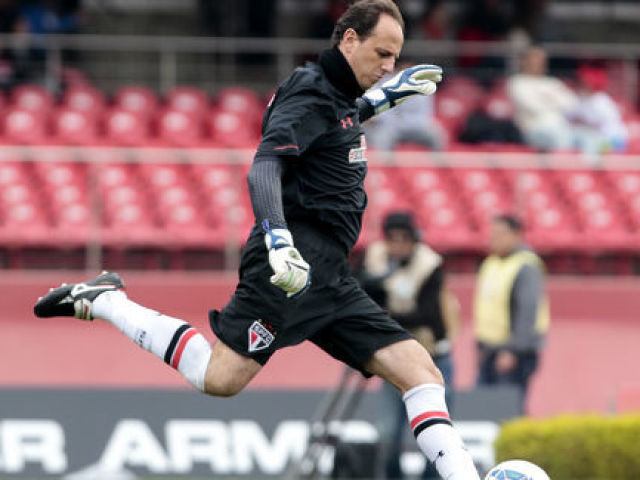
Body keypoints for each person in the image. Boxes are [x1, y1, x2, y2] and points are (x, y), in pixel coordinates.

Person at [34, 2, 480, 479]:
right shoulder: (309, 93)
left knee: (422, 373)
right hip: (290, 268)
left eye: (395, 57)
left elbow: (334, 123)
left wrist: (382, 99)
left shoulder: (336, 97)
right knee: (219, 378)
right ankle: (106, 301)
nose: (389, 65)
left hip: (331, 275)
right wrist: (277, 238)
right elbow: (265, 164)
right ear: (348, 39)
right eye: (382, 53)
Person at [361, 211, 460, 479]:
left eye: (404, 239)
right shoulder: (377, 257)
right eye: (391, 239)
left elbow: (427, 314)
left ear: (414, 240)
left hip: (431, 356)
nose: (397, 246)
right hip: (395, 357)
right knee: (389, 431)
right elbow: (363, 294)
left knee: (436, 433)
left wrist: (384, 317)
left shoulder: (430, 264)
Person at [473, 214, 550, 415]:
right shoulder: (491, 263)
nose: (493, 239)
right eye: (492, 234)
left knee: (507, 409)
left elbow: (527, 312)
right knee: (485, 408)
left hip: (512, 352)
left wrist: (513, 350)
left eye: (499, 234)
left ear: (516, 235)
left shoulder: (526, 266)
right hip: (489, 348)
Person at [364, 61, 447, 153]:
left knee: (437, 134)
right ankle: (386, 164)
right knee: (382, 137)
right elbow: (382, 111)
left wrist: (409, 124)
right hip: (391, 127)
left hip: (416, 127)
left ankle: (438, 163)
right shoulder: (386, 84)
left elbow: (426, 115)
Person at [508, 46, 578, 152]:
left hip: (563, 128)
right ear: (525, 61)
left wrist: (544, 99)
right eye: (534, 59)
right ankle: (562, 167)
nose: (538, 63)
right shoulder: (517, 82)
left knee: (590, 138)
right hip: (533, 131)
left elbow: (572, 103)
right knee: (562, 139)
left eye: (541, 60)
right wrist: (554, 99)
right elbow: (533, 107)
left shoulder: (553, 82)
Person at [567, 65, 628, 160]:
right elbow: (569, 115)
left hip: (614, 142)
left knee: (587, 141)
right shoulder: (584, 99)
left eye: (585, 82)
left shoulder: (601, 101)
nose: (581, 84)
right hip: (601, 139)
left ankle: (589, 168)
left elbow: (590, 119)